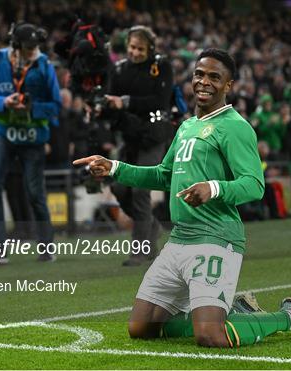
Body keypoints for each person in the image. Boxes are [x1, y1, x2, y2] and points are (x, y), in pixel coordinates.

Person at [74, 49, 291, 348]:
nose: (204, 82)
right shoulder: (187, 126)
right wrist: (115, 167)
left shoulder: (235, 127)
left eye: (215, 77)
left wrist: (213, 188)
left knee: (210, 336)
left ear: (228, 85)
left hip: (216, 237)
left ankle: (290, 316)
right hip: (179, 240)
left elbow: (254, 184)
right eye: (199, 74)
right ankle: (233, 311)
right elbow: (164, 175)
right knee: (141, 327)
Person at [0, 22, 61, 264]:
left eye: (35, 47)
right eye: (28, 48)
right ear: (16, 46)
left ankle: (46, 246)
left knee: (35, 193)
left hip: (33, 137)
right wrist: (3, 102)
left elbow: (56, 105)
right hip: (3, 132)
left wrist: (34, 108)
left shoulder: (44, 64)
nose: (33, 51)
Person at [103, 25, 174, 266]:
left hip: (154, 135)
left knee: (140, 188)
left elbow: (161, 101)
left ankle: (140, 250)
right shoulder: (120, 69)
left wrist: (126, 102)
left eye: (140, 49)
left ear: (150, 48)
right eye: (132, 47)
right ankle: (151, 226)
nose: (135, 52)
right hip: (130, 137)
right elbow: (110, 101)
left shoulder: (161, 67)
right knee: (120, 189)